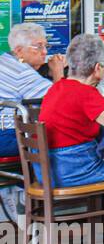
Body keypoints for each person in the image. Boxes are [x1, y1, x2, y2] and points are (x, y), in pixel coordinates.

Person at [38, 34, 104, 244]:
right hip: (71, 170)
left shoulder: (58, 87)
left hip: (46, 170)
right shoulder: (86, 93)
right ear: (97, 68)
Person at [0, 23, 64, 157]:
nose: (45, 52)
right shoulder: (21, 72)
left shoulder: (5, 60)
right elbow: (61, 101)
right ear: (19, 51)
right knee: (70, 135)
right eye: (38, 46)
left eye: (46, 46)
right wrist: (58, 72)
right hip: (8, 137)